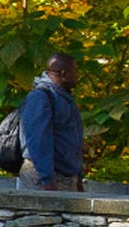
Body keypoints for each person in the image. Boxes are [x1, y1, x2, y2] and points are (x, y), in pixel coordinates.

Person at [18, 52, 85, 192]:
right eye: (75, 72)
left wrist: (77, 177)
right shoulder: (41, 97)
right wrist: (47, 179)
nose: (77, 76)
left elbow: (72, 139)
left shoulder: (63, 98)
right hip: (44, 178)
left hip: (64, 177)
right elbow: (38, 141)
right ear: (63, 74)